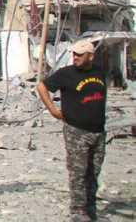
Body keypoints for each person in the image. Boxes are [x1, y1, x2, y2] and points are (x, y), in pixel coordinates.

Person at [37, 39, 107, 222]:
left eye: (79, 54)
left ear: (90, 56)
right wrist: (53, 110)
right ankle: (77, 211)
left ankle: (90, 211)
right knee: (78, 173)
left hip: (98, 132)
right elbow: (42, 86)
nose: (75, 57)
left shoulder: (99, 71)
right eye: (73, 54)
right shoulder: (66, 74)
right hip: (76, 131)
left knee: (94, 172)